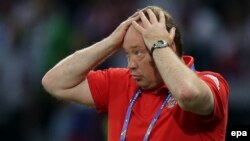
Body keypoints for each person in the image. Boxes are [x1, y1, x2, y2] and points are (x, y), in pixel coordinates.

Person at [42, 6, 229, 141]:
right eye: (127, 53)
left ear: (167, 47)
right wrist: (110, 43)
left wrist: (158, 45)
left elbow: (187, 93)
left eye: (138, 52)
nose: (130, 65)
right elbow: (54, 82)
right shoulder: (122, 82)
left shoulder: (211, 82)